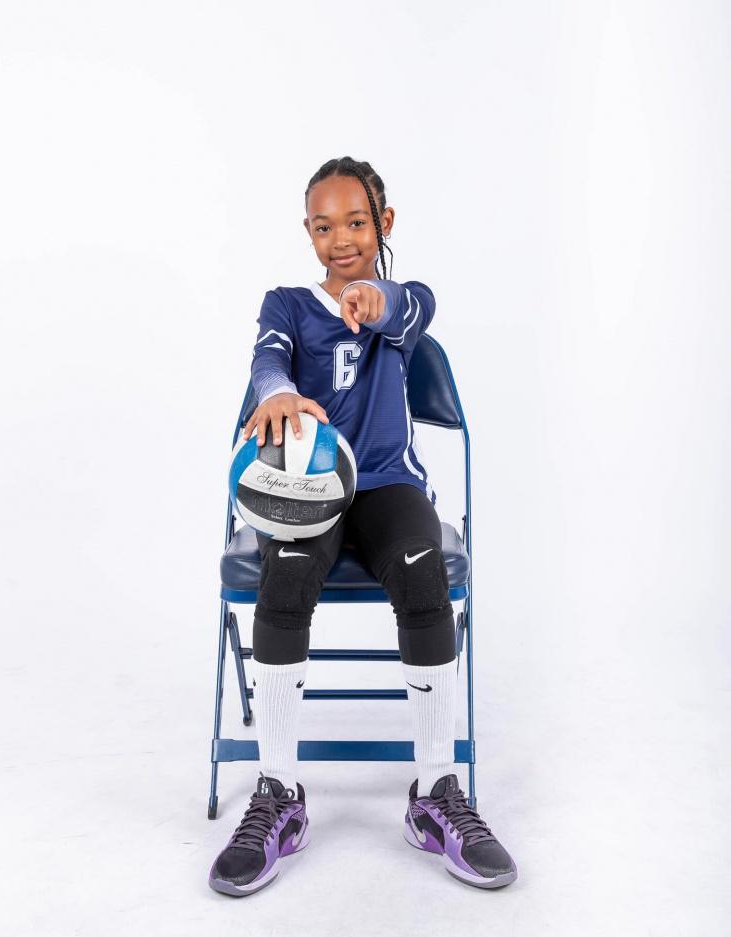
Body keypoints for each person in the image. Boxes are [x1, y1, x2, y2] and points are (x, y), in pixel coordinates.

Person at [208, 156, 517, 897]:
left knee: (421, 569)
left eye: (356, 222)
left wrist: (375, 300)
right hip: (306, 488)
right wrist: (276, 393)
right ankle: (278, 793)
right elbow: (267, 361)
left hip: (385, 484)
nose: (340, 238)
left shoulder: (405, 303)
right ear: (307, 231)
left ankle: (436, 790)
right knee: (286, 578)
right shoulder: (287, 303)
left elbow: (405, 307)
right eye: (324, 226)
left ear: (385, 223)